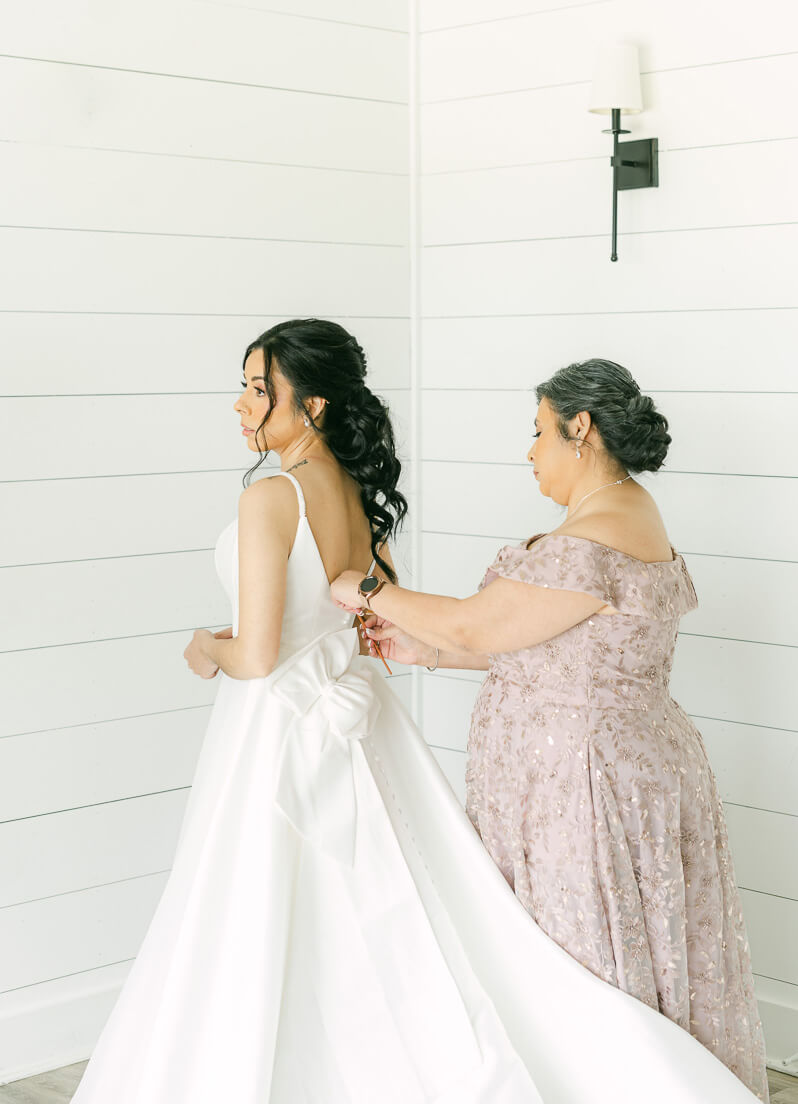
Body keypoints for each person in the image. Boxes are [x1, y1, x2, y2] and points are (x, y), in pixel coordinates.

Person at [72, 331, 761, 1103]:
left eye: (258, 387)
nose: (242, 403)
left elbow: (272, 652)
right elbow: (532, 645)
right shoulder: (360, 496)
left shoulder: (272, 495)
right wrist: (412, 643)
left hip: (311, 730)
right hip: (372, 718)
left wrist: (208, 647)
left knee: (265, 911)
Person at [331, 358, 768, 1103]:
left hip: (584, 790)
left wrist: (370, 588)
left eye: (537, 432)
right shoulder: (621, 515)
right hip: (608, 770)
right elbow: (548, 652)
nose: (529, 451)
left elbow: (478, 620)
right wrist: (423, 649)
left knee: (579, 961)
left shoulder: (593, 539)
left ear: (581, 429)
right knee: (601, 954)